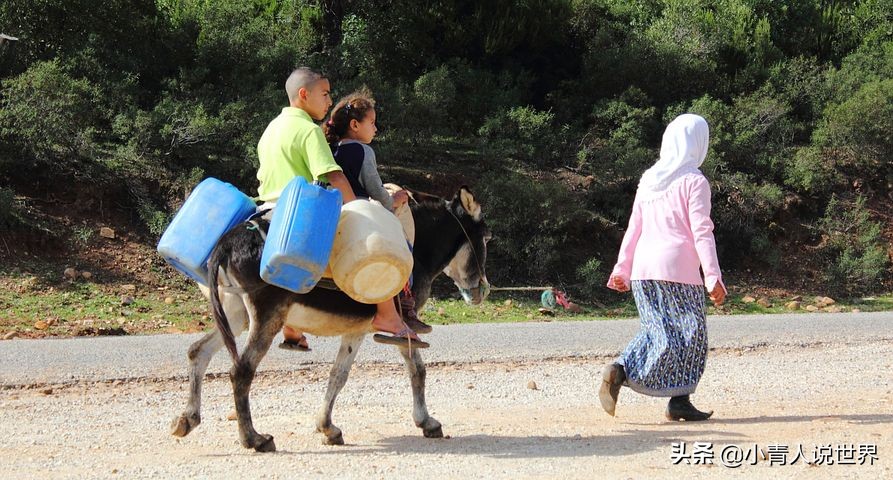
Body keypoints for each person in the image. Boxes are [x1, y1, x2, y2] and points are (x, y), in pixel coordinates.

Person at [256, 68, 427, 350]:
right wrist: (360, 211)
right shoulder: (309, 130)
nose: (328, 101)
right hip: (297, 212)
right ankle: (389, 316)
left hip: (266, 210)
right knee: (374, 243)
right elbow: (334, 177)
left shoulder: (271, 129)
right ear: (303, 94)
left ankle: (292, 326)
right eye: (324, 94)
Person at [600, 113, 726, 421]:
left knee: (658, 331)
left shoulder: (650, 179)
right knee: (691, 335)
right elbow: (701, 231)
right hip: (678, 272)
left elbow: (634, 228)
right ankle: (629, 373)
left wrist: (622, 269)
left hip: (643, 271)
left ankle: (667, 395)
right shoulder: (694, 181)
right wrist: (713, 277)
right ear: (699, 143)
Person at [322, 89, 432, 343]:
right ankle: (406, 305)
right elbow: (377, 191)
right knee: (401, 248)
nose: (375, 129)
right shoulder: (363, 152)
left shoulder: (332, 149)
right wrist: (394, 200)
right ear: (354, 125)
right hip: (358, 213)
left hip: (334, 215)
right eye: (371, 123)